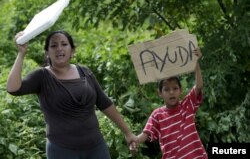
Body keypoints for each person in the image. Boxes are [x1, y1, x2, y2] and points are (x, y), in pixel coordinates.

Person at [7, 30, 137, 159]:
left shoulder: (84, 72)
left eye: (64, 44)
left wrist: (127, 132)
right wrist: (21, 53)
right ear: (47, 53)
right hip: (61, 150)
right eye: (53, 45)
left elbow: (104, 103)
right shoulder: (41, 76)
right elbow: (13, 88)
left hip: (96, 147)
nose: (59, 48)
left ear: (72, 51)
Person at [130, 48, 208, 159]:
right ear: (160, 93)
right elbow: (145, 134)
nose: (171, 92)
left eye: (175, 88)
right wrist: (135, 141)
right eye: (166, 89)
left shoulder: (187, 105)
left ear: (180, 90)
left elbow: (199, 86)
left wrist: (196, 63)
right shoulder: (157, 115)